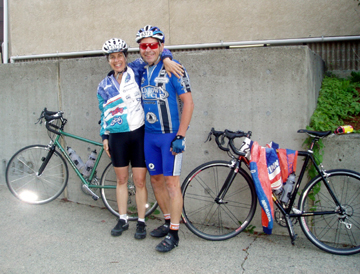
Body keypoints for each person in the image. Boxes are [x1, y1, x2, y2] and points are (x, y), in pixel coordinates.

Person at [97, 38, 183, 240]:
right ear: (108, 60)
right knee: (121, 180)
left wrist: (168, 57)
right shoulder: (103, 85)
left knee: (140, 181)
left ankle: (142, 221)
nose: (117, 60)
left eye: (120, 56)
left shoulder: (136, 70)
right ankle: (123, 218)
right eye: (112, 57)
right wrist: (104, 136)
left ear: (125, 57)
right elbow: (104, 113)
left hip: (139, 133)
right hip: (117, 136)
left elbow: (153, 51)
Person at [136, 25, 194, 252]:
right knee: (156, 180)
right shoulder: (140, 70)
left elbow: (188, 102)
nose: (148, 49)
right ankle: (168, 221)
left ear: (161, 46)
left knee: (172, 183)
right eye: (144, 46)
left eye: (153, 45)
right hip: (149, 137)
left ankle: (175, 233)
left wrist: (181, 135)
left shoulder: (174, 68)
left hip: (170, 136)